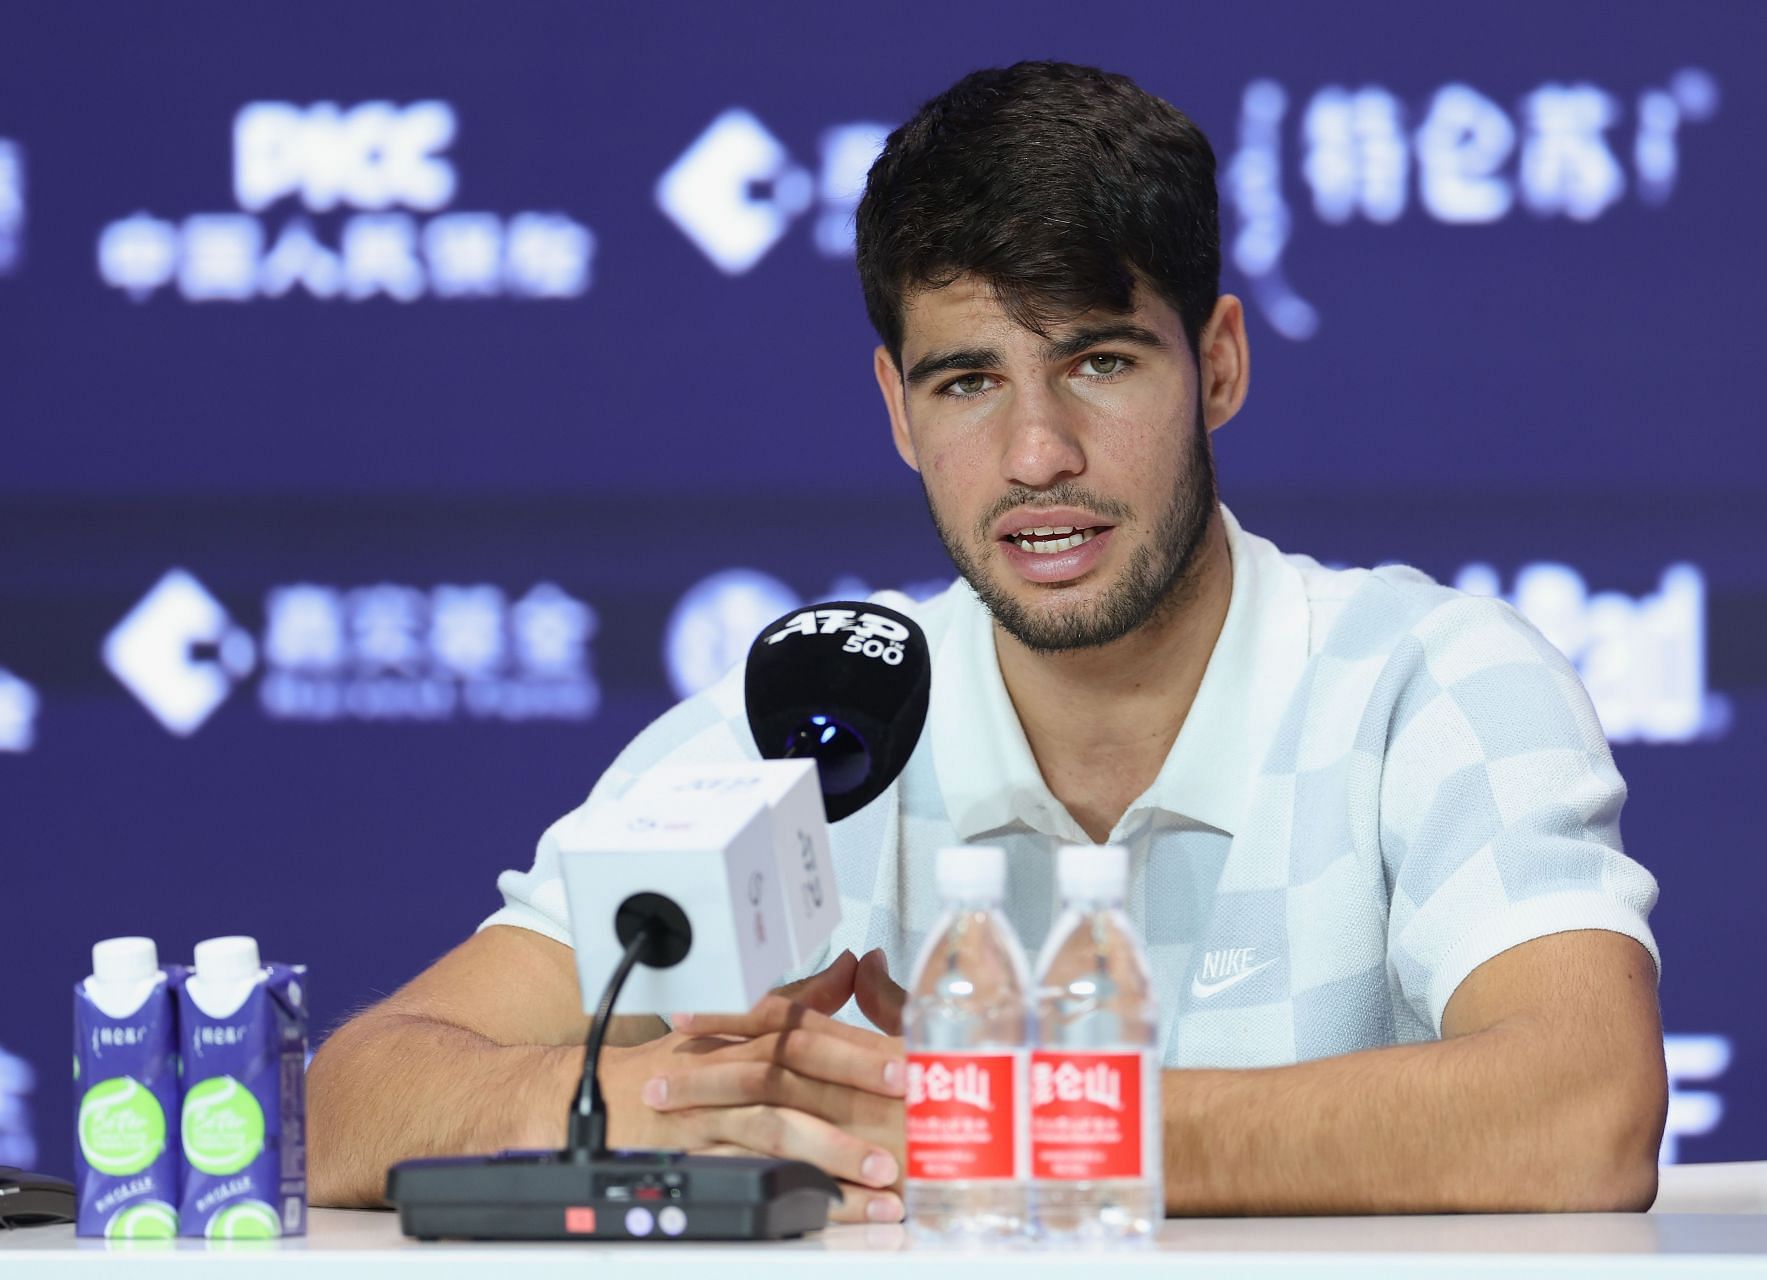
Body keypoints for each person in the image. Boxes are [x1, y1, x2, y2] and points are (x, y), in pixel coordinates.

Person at [309, 61, 1667, 1223]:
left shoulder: (1427, 678)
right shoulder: (810, 717)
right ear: (899, 412)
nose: (1037, 456)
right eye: (969, 382)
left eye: (1101, 362)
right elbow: (348, 1102)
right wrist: (656, 1096)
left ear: (1223, 363)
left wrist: (995, 1130)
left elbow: (1584, 1109)